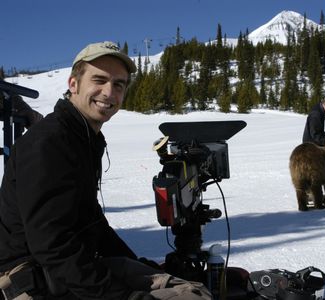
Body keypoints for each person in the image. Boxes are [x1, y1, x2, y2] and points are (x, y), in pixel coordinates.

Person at [0, 41, 210, 300]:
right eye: (99, 80)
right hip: (30, 283)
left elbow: (93, 222)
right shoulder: (49, 144)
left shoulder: (82, 138)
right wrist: (123, 296)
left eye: (118, 84)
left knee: (192, 288)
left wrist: (138, 266)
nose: (109, 93)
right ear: (73, 84)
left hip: (62, 272)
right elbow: (52, 245)